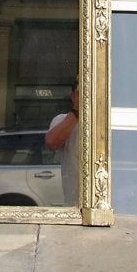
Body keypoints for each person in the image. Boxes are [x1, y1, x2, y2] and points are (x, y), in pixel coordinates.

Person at [44, 77, 79, 206]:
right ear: (73, 96)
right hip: (74, 205)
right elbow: (52, 143)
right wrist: (77, 111)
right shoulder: (62, 120)